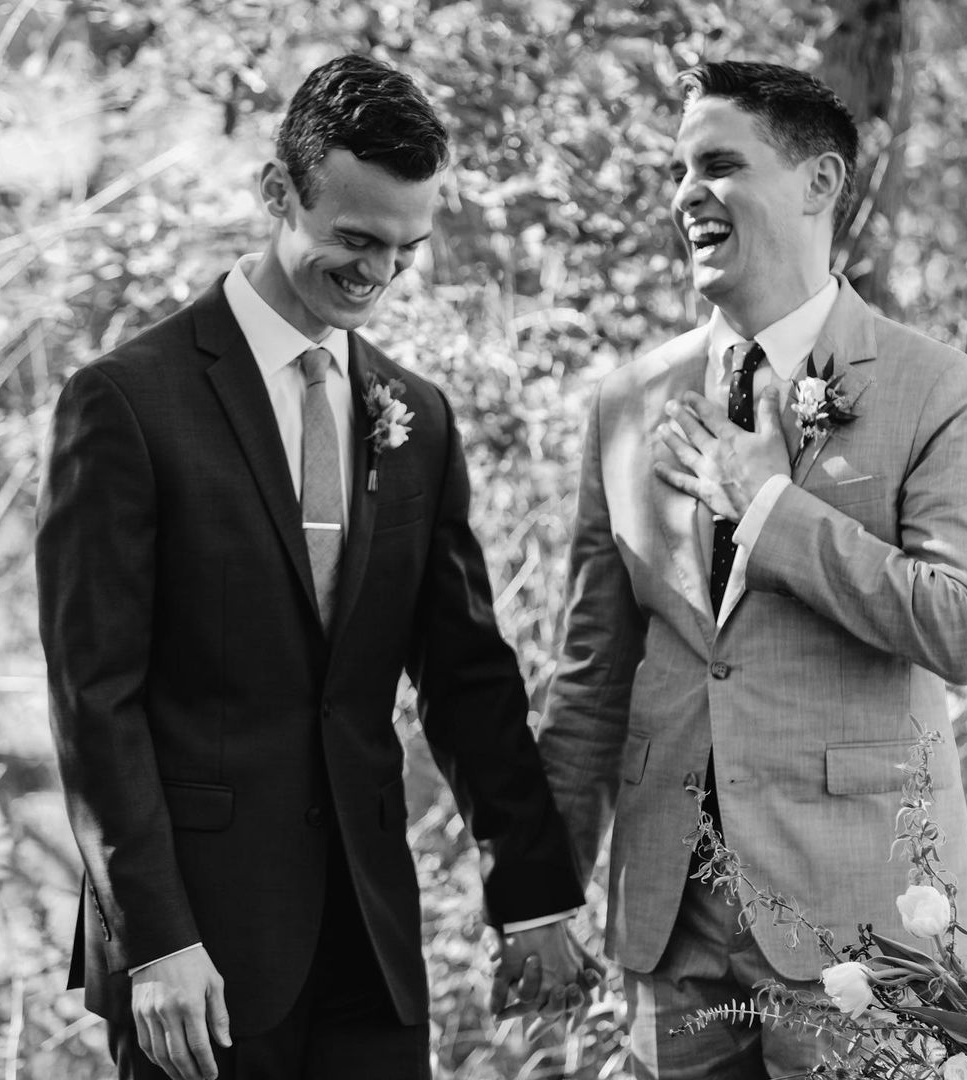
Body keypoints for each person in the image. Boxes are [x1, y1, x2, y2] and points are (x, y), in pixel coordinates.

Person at [36, 53, 595, 1080]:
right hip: (196, 953)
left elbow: (466, 675)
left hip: (368, 943)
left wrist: (532, 896)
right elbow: (93, 700)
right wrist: (154, 938)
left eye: (406, 249)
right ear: (276, 192)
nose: (379, 274)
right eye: (355, 240)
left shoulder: (417, 417)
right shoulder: (126, 402)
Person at [536, 60, 967, 1079]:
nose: (686, 194)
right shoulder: (626, 403)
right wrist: (541, 895)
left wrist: (768, 507)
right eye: (678, 170)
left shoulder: (936, 389)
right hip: (669, 925)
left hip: (868, 928)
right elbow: (593, 676)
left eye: (718, 164)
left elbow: (962, 624)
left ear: (819, 181)